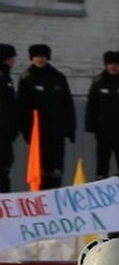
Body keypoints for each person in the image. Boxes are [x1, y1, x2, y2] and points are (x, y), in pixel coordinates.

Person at [16, 43, 74, 189]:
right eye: (36, 57)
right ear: (31, 58)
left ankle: (54, 194)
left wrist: (70, 128)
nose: (40, 60)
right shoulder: (27, 79)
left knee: (55, 168)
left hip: (56, 130)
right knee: (40, 168)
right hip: (38, 133)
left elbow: (67, 104)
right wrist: (26, 131)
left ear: (47, 58)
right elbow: (22, 108)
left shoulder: (58, 78)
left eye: (42, 57)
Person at [83, 50, 119, 179]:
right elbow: (92, 105)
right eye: (110, 64)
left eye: (116, 64)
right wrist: (90, 125)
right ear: (106, 65)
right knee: (101, 168)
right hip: (103, 131)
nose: (113, 67)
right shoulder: (99, 82)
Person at [0, 43, 19, 193]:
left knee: (6, 166)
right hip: (2, 132)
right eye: (11, 57)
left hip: (6, 133)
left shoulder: (7, 77)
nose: (13, 60)